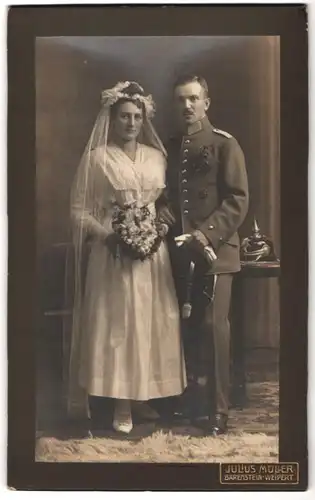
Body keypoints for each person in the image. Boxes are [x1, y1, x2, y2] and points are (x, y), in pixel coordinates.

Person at [68, 81, 186, 434]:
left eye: (137, 116)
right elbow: (78, 210)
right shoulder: (97, 158)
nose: (131, 123)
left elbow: (164, 202)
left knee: (151, 319)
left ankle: (143, 395)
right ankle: (121, 402)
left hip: (153, 253)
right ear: (112, 118)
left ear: (144, 119)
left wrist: (161, 224)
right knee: (121, 322)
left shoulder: (157, 156)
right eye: (124, 117)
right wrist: (110, 237)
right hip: (113, 255)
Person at [158, 74, 249, 436]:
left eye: (194, 99)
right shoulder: (171, 146)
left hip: (216, 251)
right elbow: (166, 192)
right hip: (181, 252)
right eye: (181, 99)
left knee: (214, 328)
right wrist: (162, 207)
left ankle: (217, 410)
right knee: (189, 327)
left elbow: (238, 198)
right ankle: (193, 402)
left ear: (206, 103)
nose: (187, 106)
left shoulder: (225, 144)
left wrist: (206, 232)